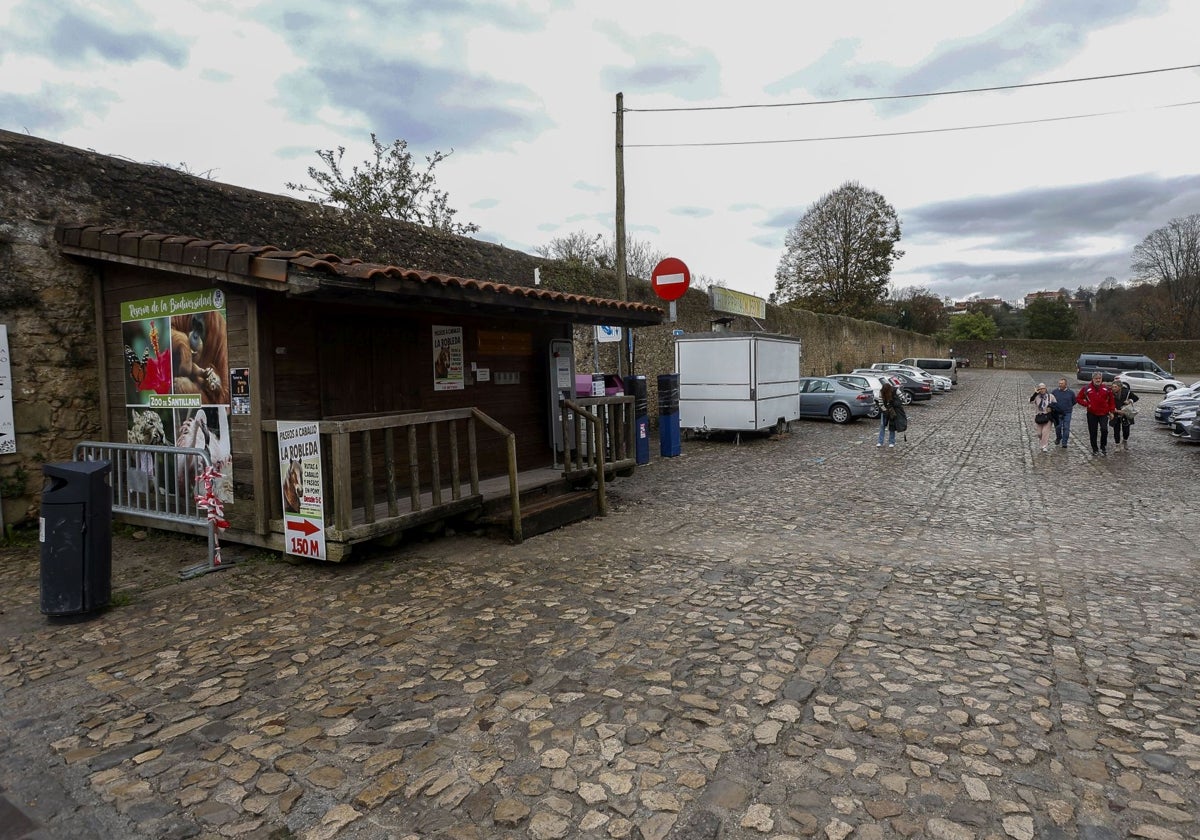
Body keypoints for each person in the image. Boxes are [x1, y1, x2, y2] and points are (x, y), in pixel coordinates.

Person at [1077, 371, 1116, 456]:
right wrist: (1087, 404)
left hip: (1104, 413)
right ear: (1093, 379)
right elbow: (1079, 398)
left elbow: (1111, 401)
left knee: (1104, 429)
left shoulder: (1107, 389)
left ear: (1102, 379)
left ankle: (1103, 447)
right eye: (1096, 378)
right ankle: (1095, 449)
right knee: (1093, 432)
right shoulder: (1086, 388)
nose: (1098, 380)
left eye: (1099, 378)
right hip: (1092, 413)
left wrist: (1111, 411)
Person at [1109, 374, 1139, 450]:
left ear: (1120, 387)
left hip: (1125, 414)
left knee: (1126, 431)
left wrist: (1129, 400)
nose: (1113, 388)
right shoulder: (1109, 392)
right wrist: (1111, 410)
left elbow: (1136, 398)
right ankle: (1117, 445)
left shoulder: (1127, 392)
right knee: (1116, 430)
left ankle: (1125, 441)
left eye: (1115, 387)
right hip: (1115, 413)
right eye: (1112, 387)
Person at [1029, 382, 1057, 453]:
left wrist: (1051, 408)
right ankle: (1042, 441)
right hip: (1039, 416)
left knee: (1045, 432)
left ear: (1046, 388)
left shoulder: (1050, 396)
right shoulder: (1037, 397)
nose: (1042, 390)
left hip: (1048, 416)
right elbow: (1030, 401)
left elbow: (1056, 404)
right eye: (1040, 389)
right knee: (1039, 433)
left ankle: (1044, 446)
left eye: (1043, 388)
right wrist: (1035, 393)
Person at [1050, 377, 1077, 448]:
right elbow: (1051, 401)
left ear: (1066, 384)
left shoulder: (1071, 393)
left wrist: (1068, 406)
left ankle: (1064, 442)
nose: (1060, 385)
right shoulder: (1054, 392)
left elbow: (1074, 401)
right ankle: (1059, 437)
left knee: (1066, 428)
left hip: (1067, 412)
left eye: (1062, 383)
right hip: (1057, 413)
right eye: (1059, 383)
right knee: (1058, 427)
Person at [876, 379, 896, 448]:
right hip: (884, 412)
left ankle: (891, 442)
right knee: (882, 426)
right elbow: (880, 403)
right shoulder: (881, 392)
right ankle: (880, 442)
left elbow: (901, 398)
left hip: (892, 411)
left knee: (892, 427)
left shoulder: (894, 391)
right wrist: (885, 411)